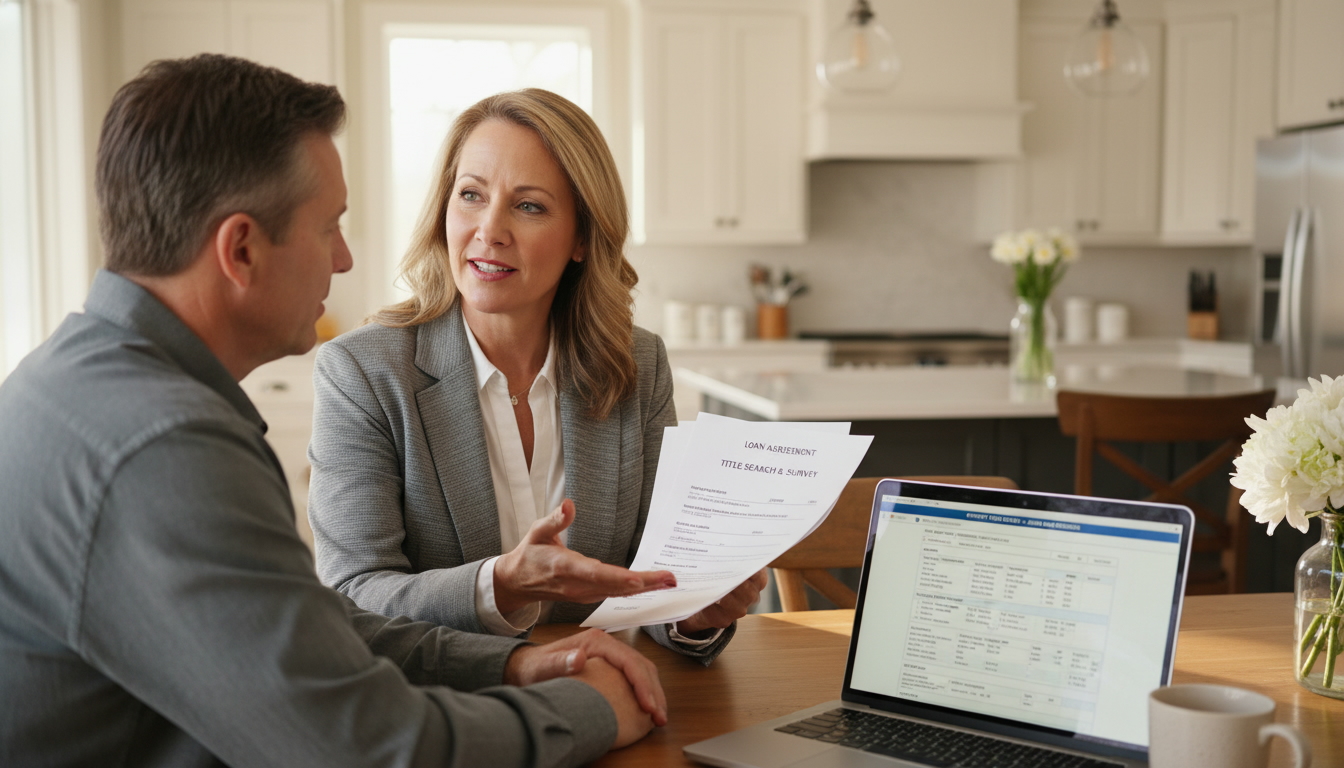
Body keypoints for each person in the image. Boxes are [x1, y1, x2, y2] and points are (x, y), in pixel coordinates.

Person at [0, 54, 666, 768]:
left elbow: (308, 630)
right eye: (329, 227)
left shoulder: (74, 381)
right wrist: (588, 709)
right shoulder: (163, 447)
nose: (345, 259)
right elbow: (368, 747)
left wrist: (505, 666)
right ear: (242, 249)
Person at [307, 89, 767, 662]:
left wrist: (690, 616)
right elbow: (353, 596)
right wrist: (500, 584)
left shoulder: (638, 366)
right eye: (471, 195)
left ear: (581, 237)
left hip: (607, 691)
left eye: (529, 206)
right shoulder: (364, 371)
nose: (489, 229)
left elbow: (652, 575)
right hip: (447, 708)